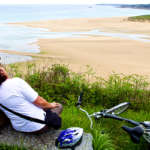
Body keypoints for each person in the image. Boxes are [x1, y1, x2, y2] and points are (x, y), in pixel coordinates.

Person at [0, 65, 63, 134]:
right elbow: (40, 102)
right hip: (38, 126)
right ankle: (52, 127)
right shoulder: (16, 82)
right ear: (2, 71)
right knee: (59, 106)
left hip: (18, 127)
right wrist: (51, 105)